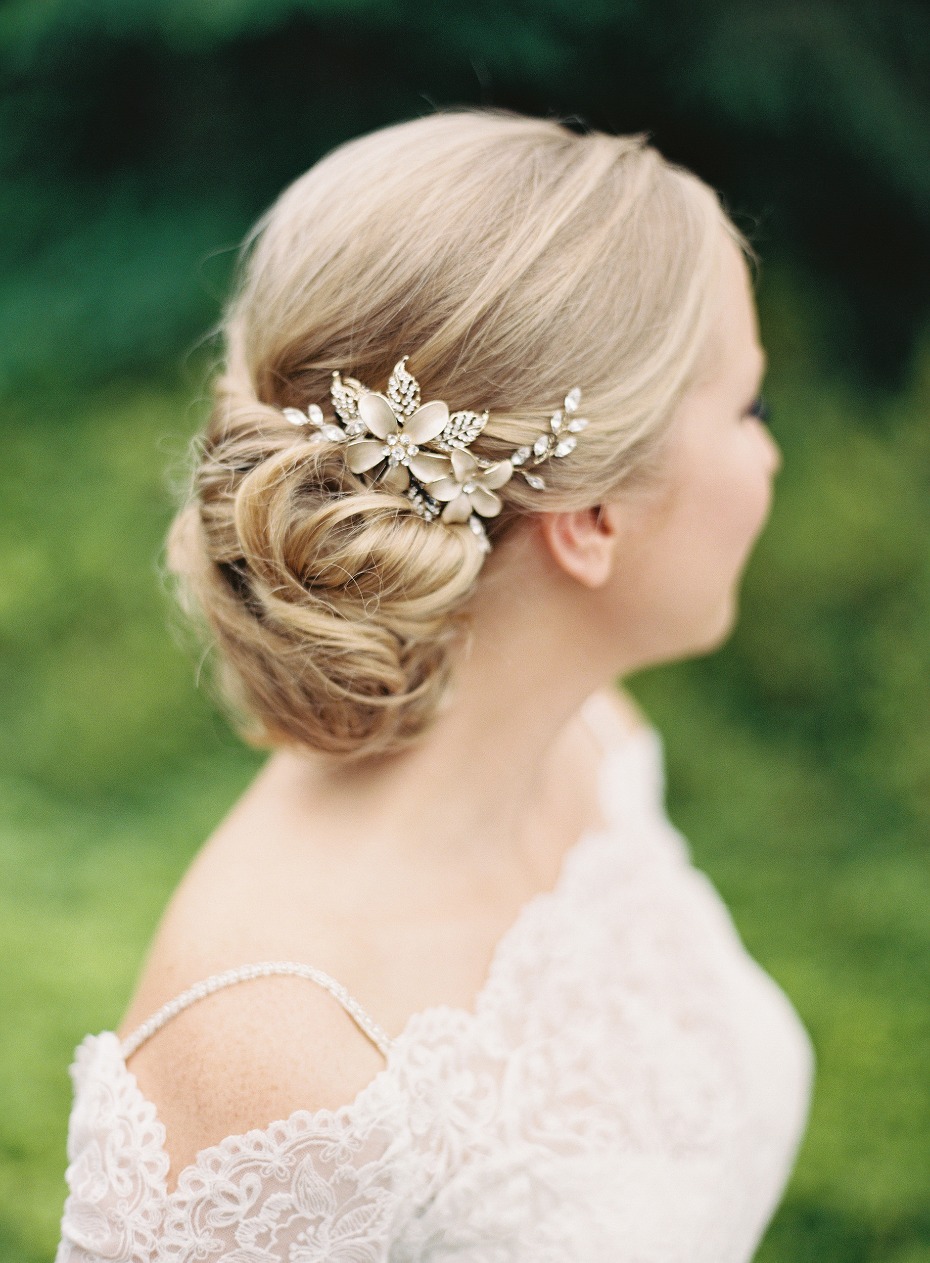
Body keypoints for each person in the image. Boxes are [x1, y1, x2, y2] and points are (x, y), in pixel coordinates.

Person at [54, 108, 814, 1260]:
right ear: (596, 517)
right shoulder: (275, 1048)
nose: (770, 453)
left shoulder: (589, 743)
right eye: (749, 407)